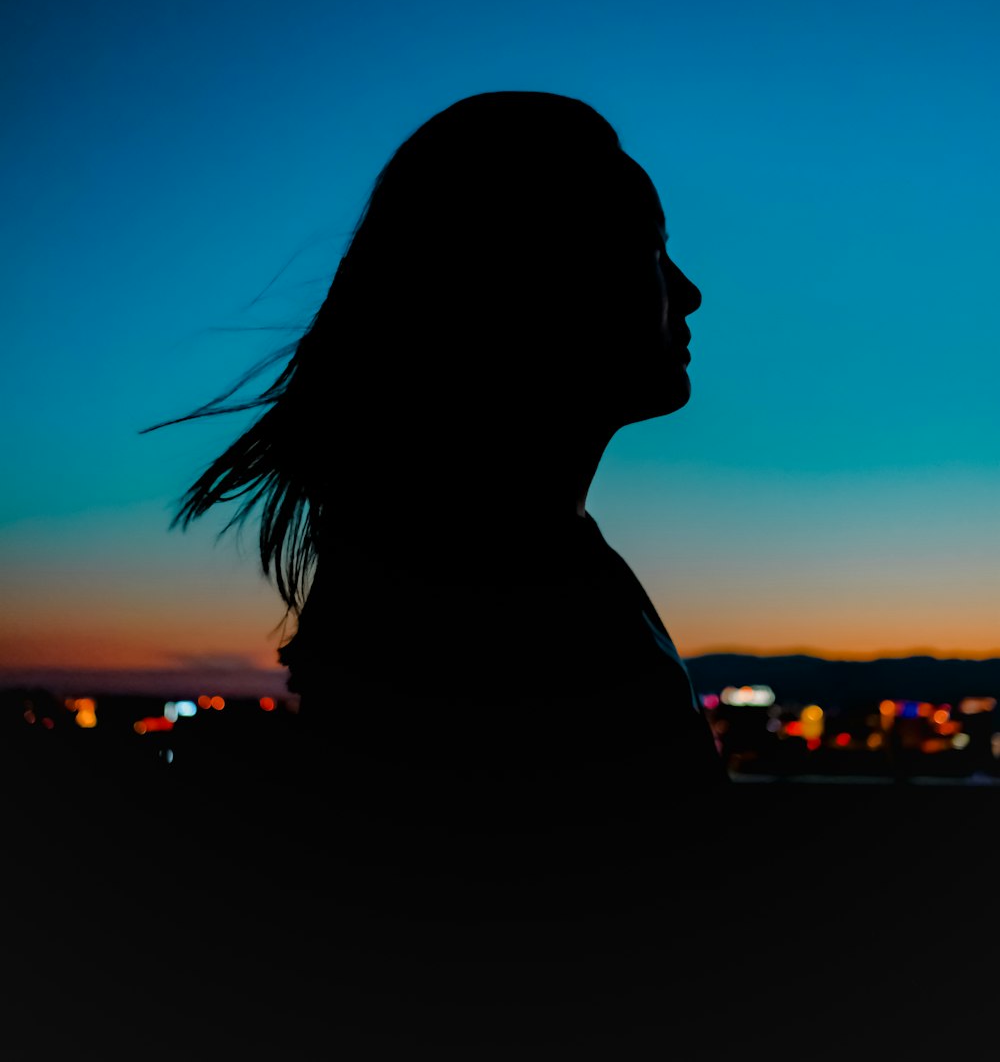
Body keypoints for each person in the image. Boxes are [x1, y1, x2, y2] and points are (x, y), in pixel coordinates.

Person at [148, 91, 725, 846]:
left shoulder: (497, 564)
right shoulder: (494, 610)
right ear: (541, 283)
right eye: (650, 251)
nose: (689, 292)